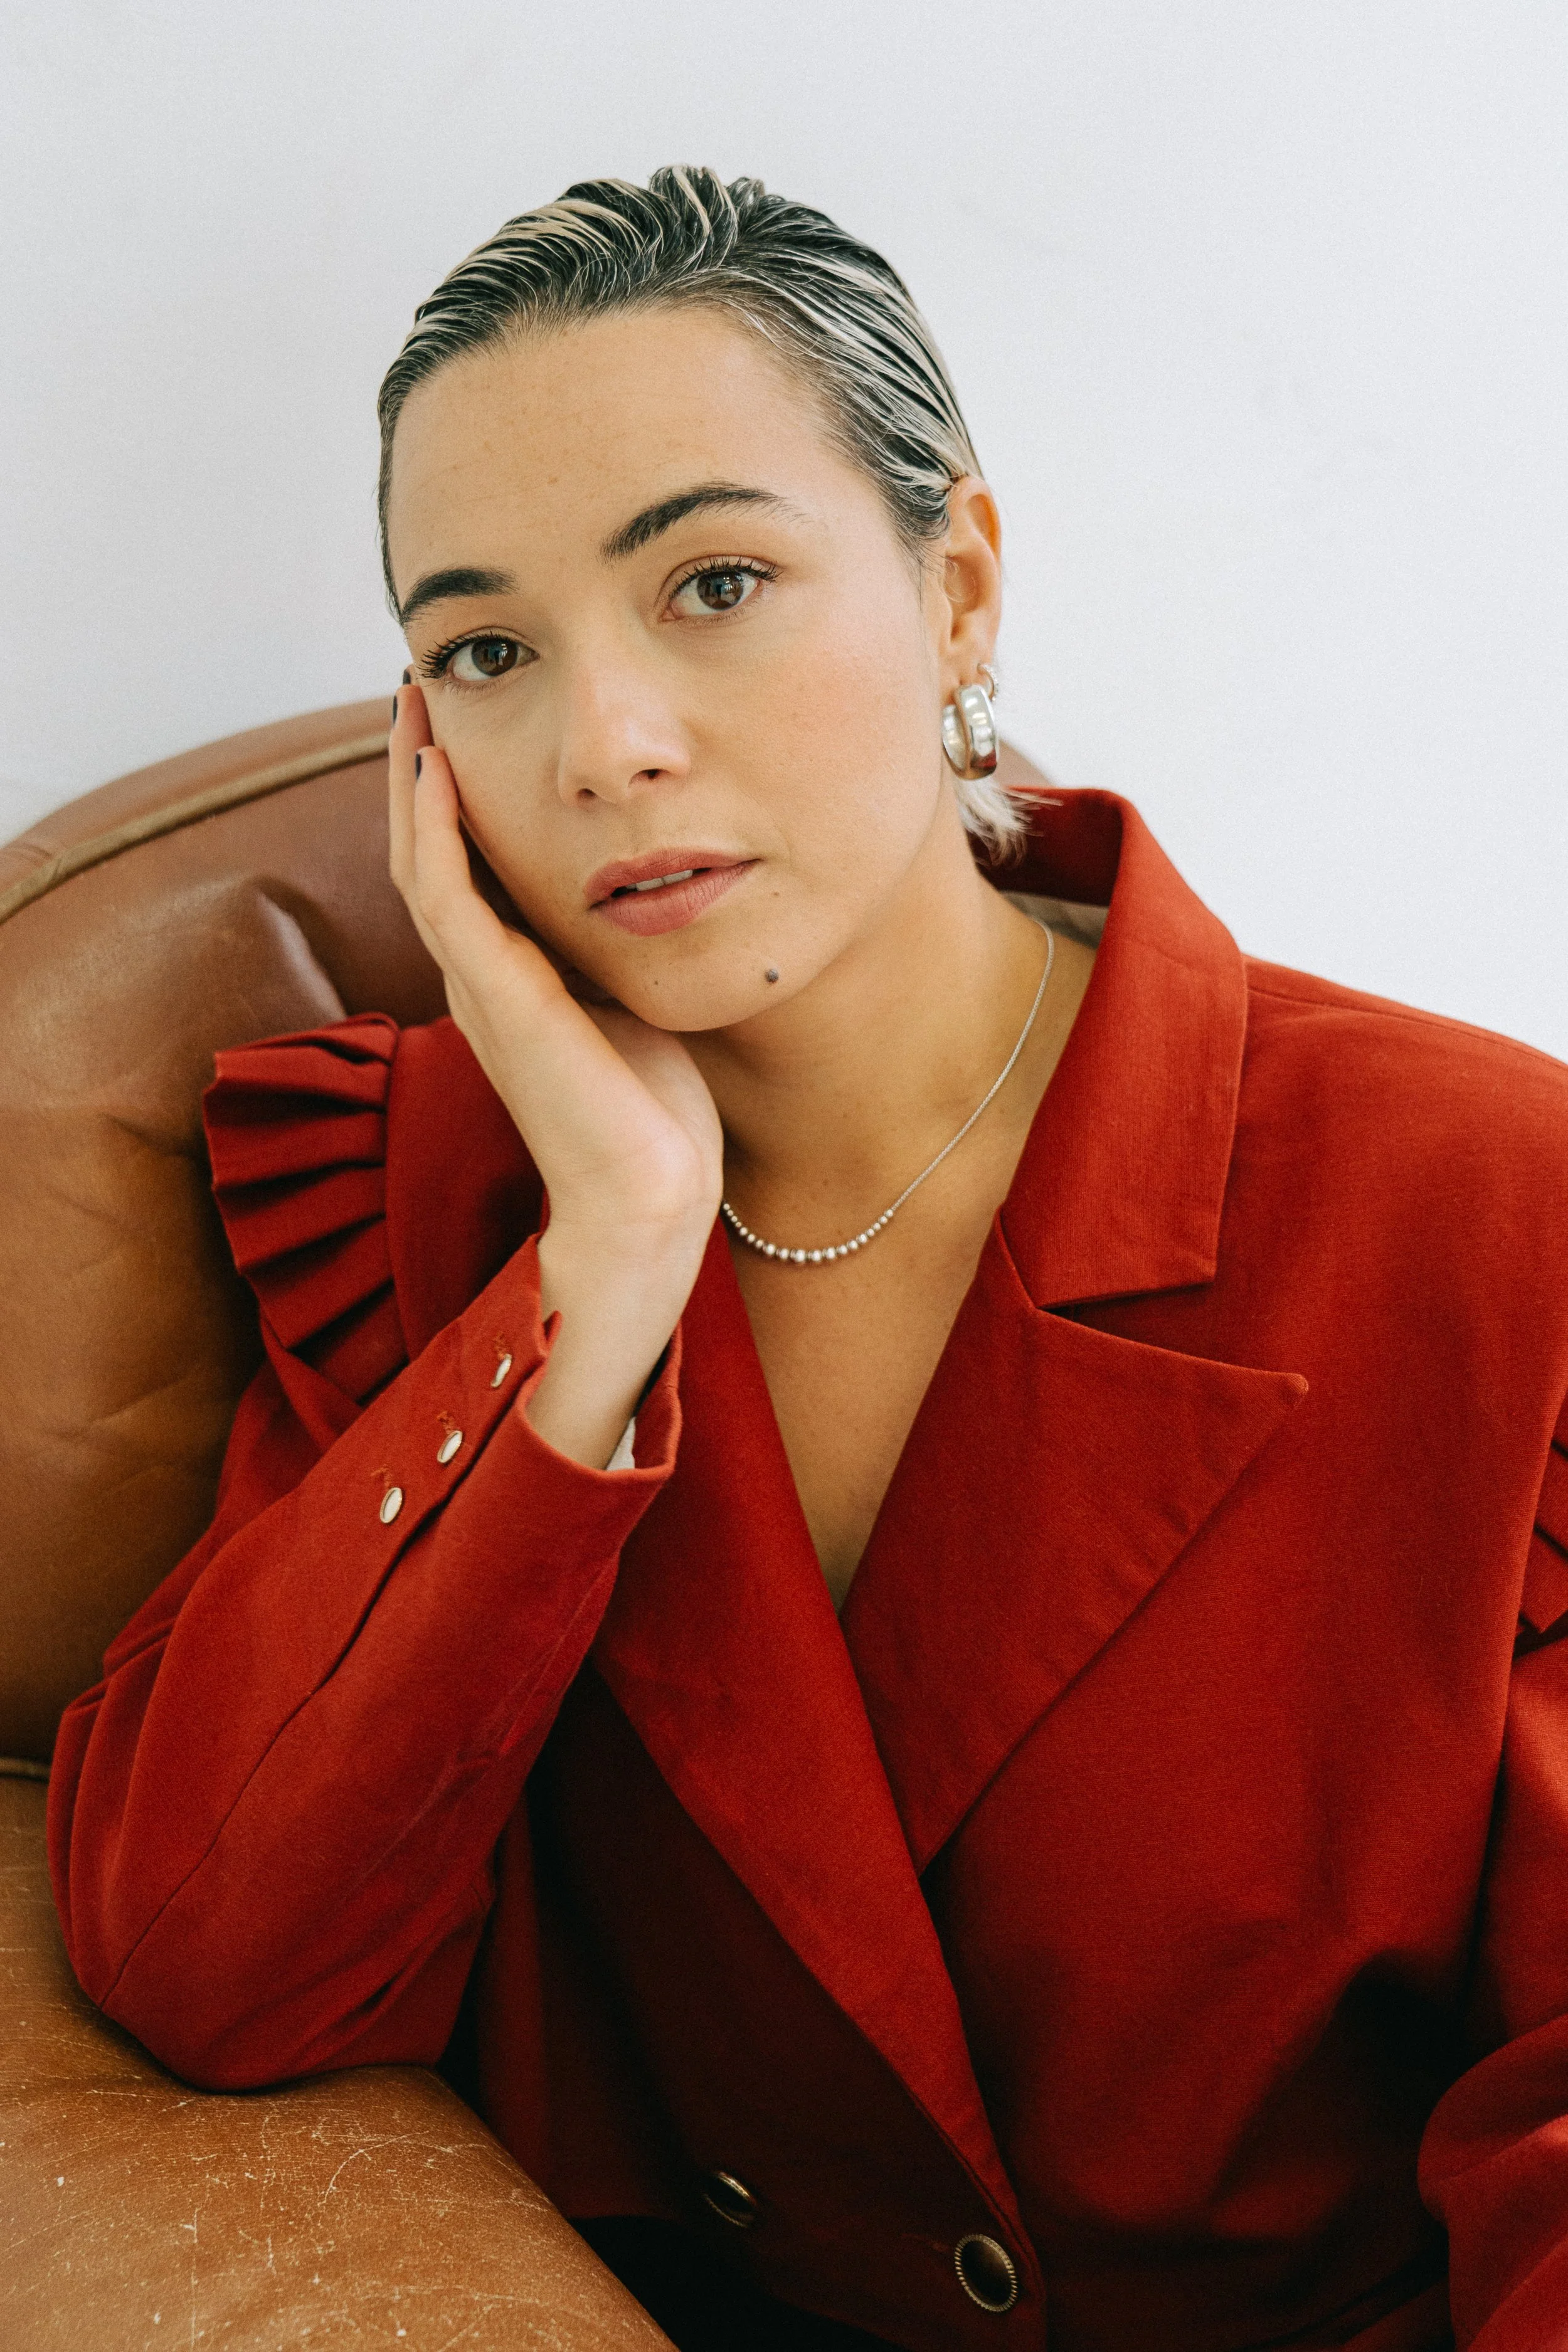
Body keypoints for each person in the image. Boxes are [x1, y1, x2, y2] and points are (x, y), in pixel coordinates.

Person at [45, 167, 1568, 2352]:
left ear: (955, 592)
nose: (604, 743)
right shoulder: (421, 1198)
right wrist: (606, 1276)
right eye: (485, 649)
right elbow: (213, 1959)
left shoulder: (1472, 1203)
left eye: (715, 582)